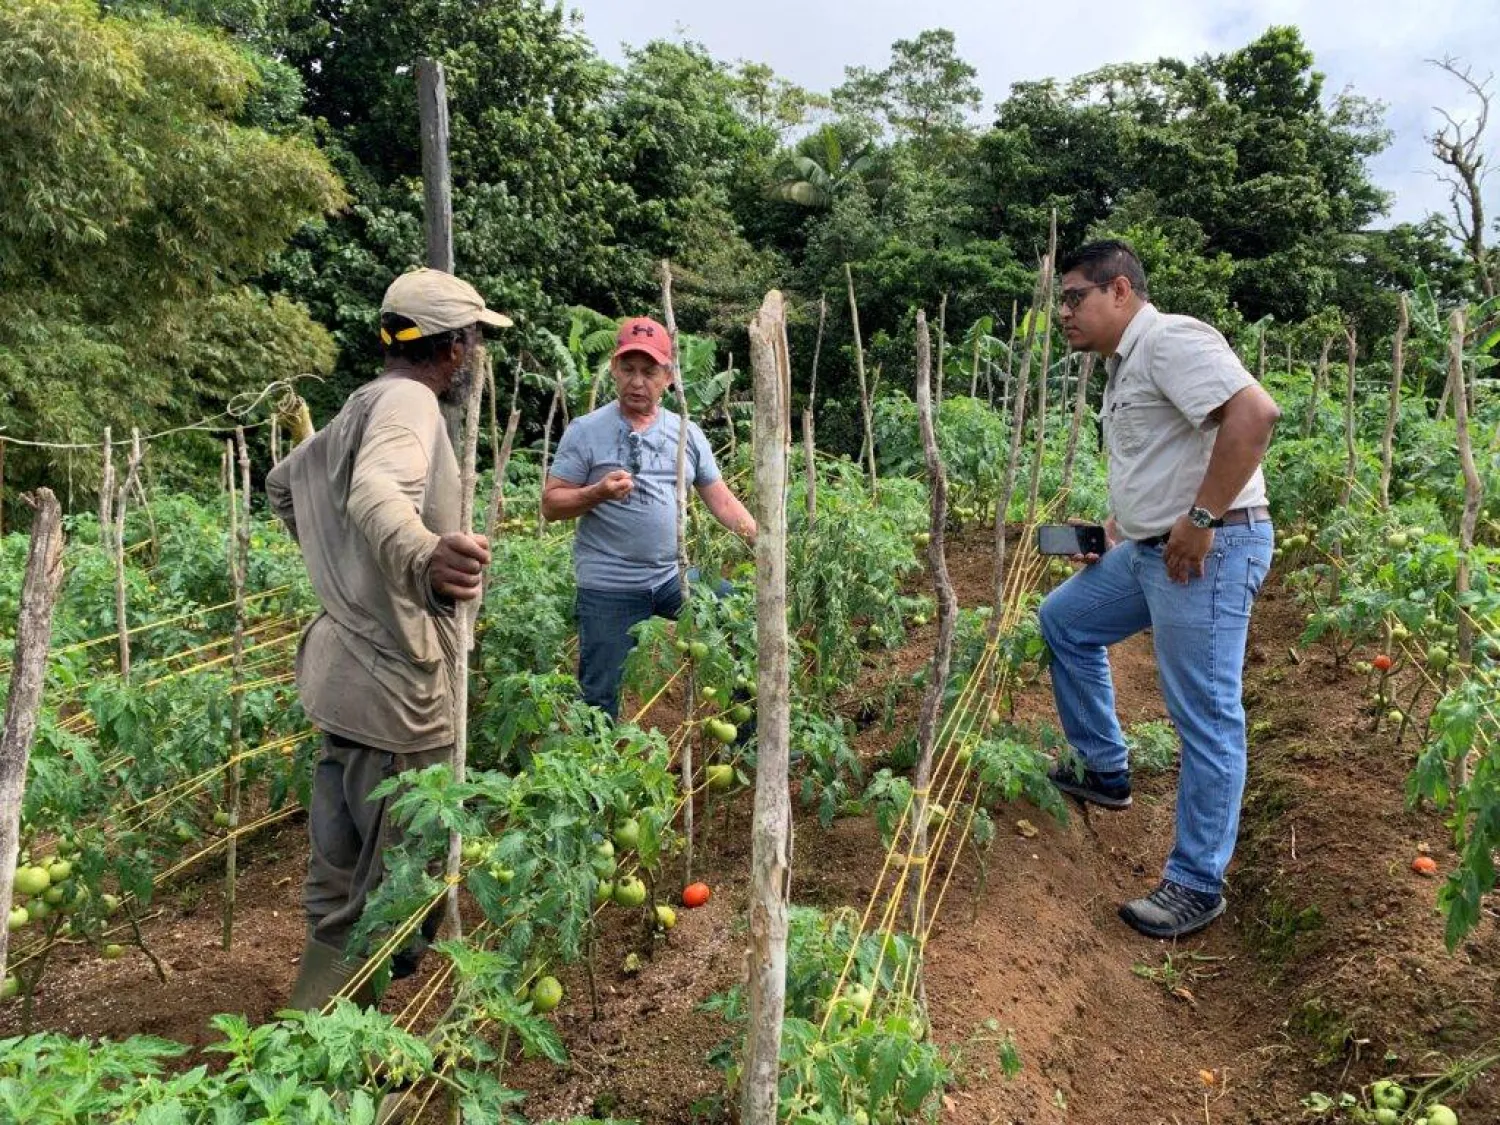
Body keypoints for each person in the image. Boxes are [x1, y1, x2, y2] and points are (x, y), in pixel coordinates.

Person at [267, 268, 507, 1008]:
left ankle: (307, 1040)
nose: (477, 359)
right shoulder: (410, 403)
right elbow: (377, 492)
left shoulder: (362, 403)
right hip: (395, 690)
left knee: (339, 875)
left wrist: (347, 569)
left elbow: (283, 486)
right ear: (457, 347)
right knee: (403, 881)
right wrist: (420, 556)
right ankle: (341, 1050)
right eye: (476, 342)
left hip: (341, 679)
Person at [1039, 240, 1281, 939]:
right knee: (1066, 621)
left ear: (1119, 291)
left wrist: (1201, 518)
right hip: (1150, 550)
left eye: (1074, 296)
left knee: (1204, 712)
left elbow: (1255, 415)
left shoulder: (1171, 338)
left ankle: (1197, 881)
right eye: (1062, 300)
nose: (1064, 312)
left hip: (1207, 551)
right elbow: (1166, 454)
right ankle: (1107, 769)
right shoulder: (1125, 364)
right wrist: (1119, 526)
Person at [541, 316, 756, 718]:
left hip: (672, 577)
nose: (637, 381)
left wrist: (763, 540)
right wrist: (597, 492)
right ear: (613, 371)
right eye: (628, 369)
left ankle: (749, 737)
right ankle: (595, 774)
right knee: (599, 693)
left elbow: (721, 501)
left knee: (738, 619)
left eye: (649, 371)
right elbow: (551, 504)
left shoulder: (686, 433)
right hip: (609, 585)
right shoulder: (585, 431)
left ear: (668, 377)